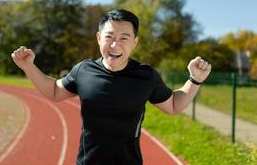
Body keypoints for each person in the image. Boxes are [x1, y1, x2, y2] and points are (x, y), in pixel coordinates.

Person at [11, 9, 211, 165]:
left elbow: (174, 105)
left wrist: (194, 80)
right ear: (99, 38)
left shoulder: (146, 75)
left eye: (124, 38)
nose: (115, 45)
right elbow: (54, 91)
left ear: (135, 42)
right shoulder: (83, 70)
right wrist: (28, 67)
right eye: (109, 37)